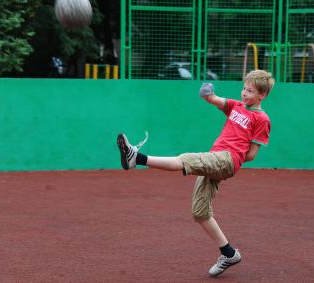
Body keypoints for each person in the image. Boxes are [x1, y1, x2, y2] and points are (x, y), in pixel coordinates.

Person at [117, 70, 275, 277]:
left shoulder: (262, 119)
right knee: (200, 213)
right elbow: (214, 99)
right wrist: (207, 93)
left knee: (186, 160)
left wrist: (231, 158)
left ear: (262, 95)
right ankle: (229, 254)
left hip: (227, 159)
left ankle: (136, 158)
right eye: (244, 88)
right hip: (216, 157)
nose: (244, 93)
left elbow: (252, 154)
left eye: (250, 91)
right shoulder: (237, 106)